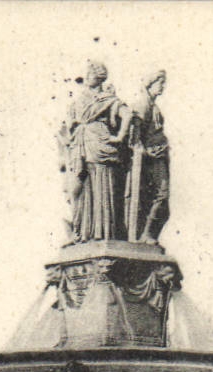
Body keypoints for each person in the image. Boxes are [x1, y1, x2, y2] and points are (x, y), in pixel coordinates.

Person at [66, 61, 131, 242]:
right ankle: (80, 231)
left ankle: (101, 233)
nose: (86, 77)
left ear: (99, 77)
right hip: (80, 144)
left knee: (100, 185)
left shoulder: (108, 99)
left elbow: (127, 115)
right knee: (77, 189)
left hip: (99, 143)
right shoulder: (80, 100)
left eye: (91, 74)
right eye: (87, 74)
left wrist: (119, 136)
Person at [128, 71, 170, 243]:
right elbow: (135, 135)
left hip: (159, 156)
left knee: (160, 198)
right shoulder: (143, 104)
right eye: (160, 82)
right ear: (150, 84)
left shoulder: (152, 105)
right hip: (151, 159)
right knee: (161, 195)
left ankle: (147, 234)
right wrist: (145, 152)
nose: (163, 86)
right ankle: (145, 234)